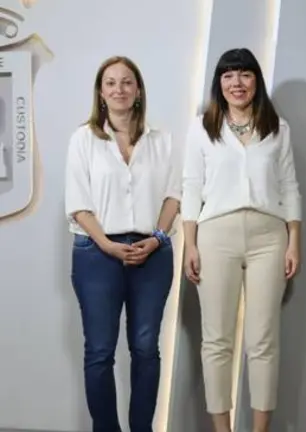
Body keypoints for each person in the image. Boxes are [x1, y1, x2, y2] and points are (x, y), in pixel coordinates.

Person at [181, 48, 302, 432]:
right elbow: (191, 186)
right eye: (229, 75)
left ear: (256, 81)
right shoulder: (201, 128)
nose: (237, 83)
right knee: (217, 340)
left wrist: (294, 241)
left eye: (245, 74)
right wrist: (190, 244)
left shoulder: (278, 128)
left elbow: (290, 187)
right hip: (216, 235)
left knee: (263, 340)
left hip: (270, 237)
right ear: (219, 82)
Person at [64, 55, 180, 432]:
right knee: (100, 351)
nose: (119, 89)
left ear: (138, 90)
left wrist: (157, 238)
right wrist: (107, 244)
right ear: (100, 92)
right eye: (111, 83)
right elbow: (78, 204)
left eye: (127, 82)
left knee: (146, 349)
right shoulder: (83, 139)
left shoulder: (161, 140)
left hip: (153, 253)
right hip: (96, 254)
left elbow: (174, 196)